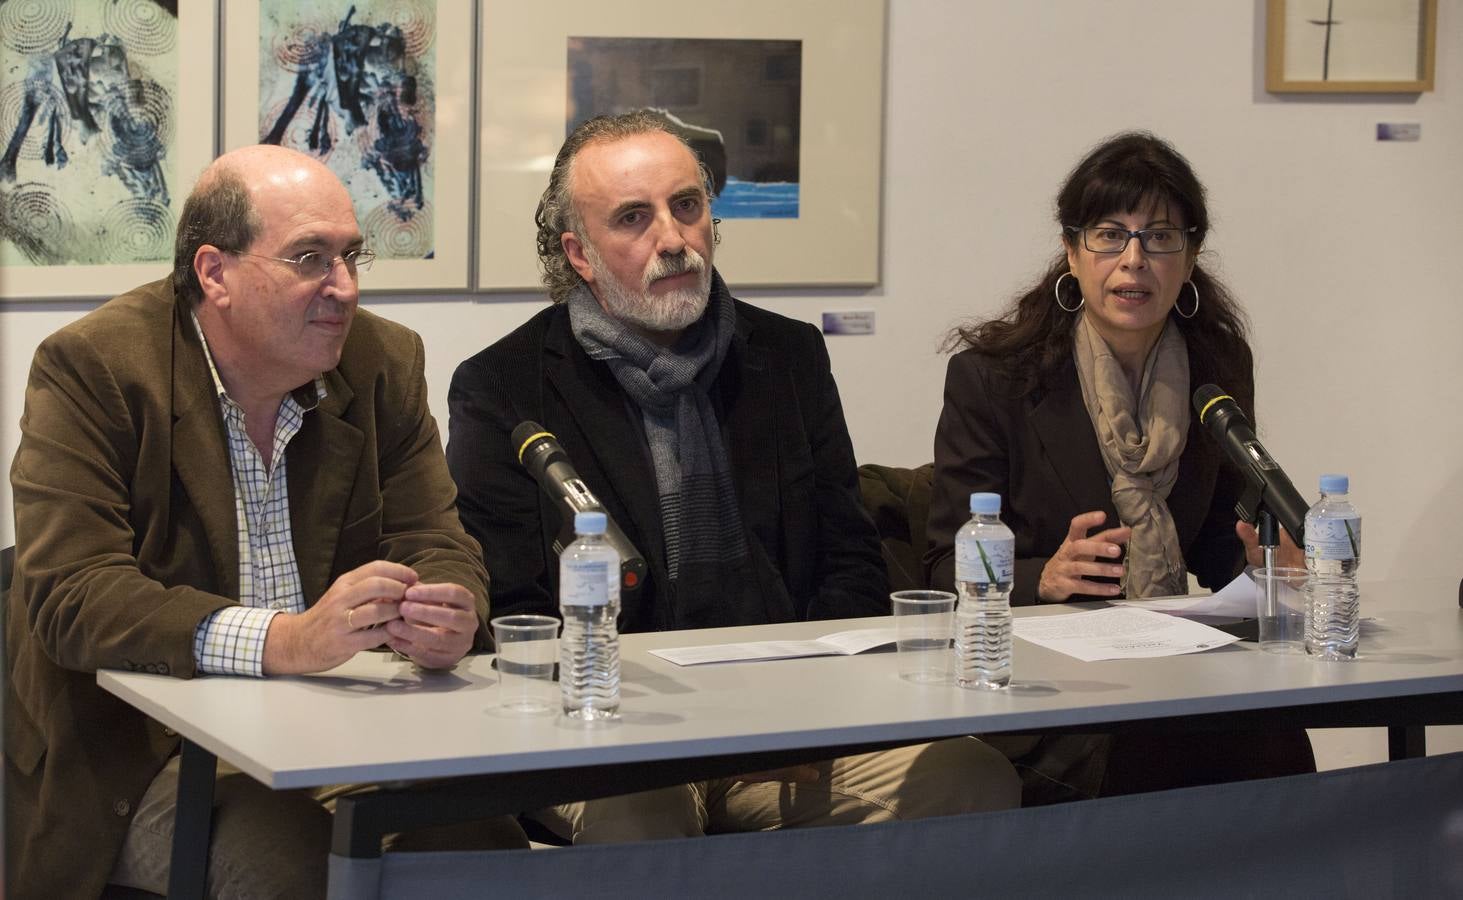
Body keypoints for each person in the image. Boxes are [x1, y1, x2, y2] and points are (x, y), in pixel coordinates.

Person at [447, 111, 1019, 844]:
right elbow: (516, 611)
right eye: (633, 218)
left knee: (967, 777)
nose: (673, 238)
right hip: (611, 734)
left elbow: (847, 559)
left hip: (785, 722)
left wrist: (803, 719)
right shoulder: (503, 386)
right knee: (642, 819)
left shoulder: (787, 356)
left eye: (687, 205)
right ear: (579, 254)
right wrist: (673, 729)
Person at [5, 144, 524, 899]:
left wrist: (450, 606)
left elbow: (436, 537)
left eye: (352, 256)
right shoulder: (95, 368)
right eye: (310, 258)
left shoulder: (382, 361)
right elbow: (70, 596)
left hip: (341, 731)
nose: (343, 289)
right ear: (215, 272)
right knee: (285, 856)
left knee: (484, 845)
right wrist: (285, 640)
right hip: (144, 752)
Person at [924, 131, 1313, 799]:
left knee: (1271, 738)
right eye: (1110, 235)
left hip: (1168, 658)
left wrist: (1265, 568)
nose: (1133, 260)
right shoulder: (995, 379)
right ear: (1072, 252)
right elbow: (938, 568)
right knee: (1163, 747)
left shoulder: (1215, 368)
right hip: (1045, 686)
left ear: (1189, 258)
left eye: (1159, 237)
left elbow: (1219, 539)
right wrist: (1041, 576)